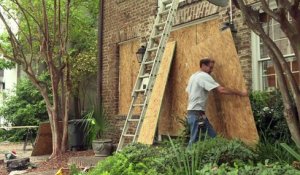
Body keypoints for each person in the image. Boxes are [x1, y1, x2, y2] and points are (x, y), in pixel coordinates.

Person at [186, 58, 247, 146]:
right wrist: (240, 93)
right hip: (196, 114)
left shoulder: (193, 76)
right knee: (194, 140)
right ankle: (185, 159)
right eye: (210, 68)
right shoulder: (203, 76)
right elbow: (221, 90)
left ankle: (221, 154)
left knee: (213, 137)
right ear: (203, 66)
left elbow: (189, 91)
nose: (211, 70)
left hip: (196, 113)